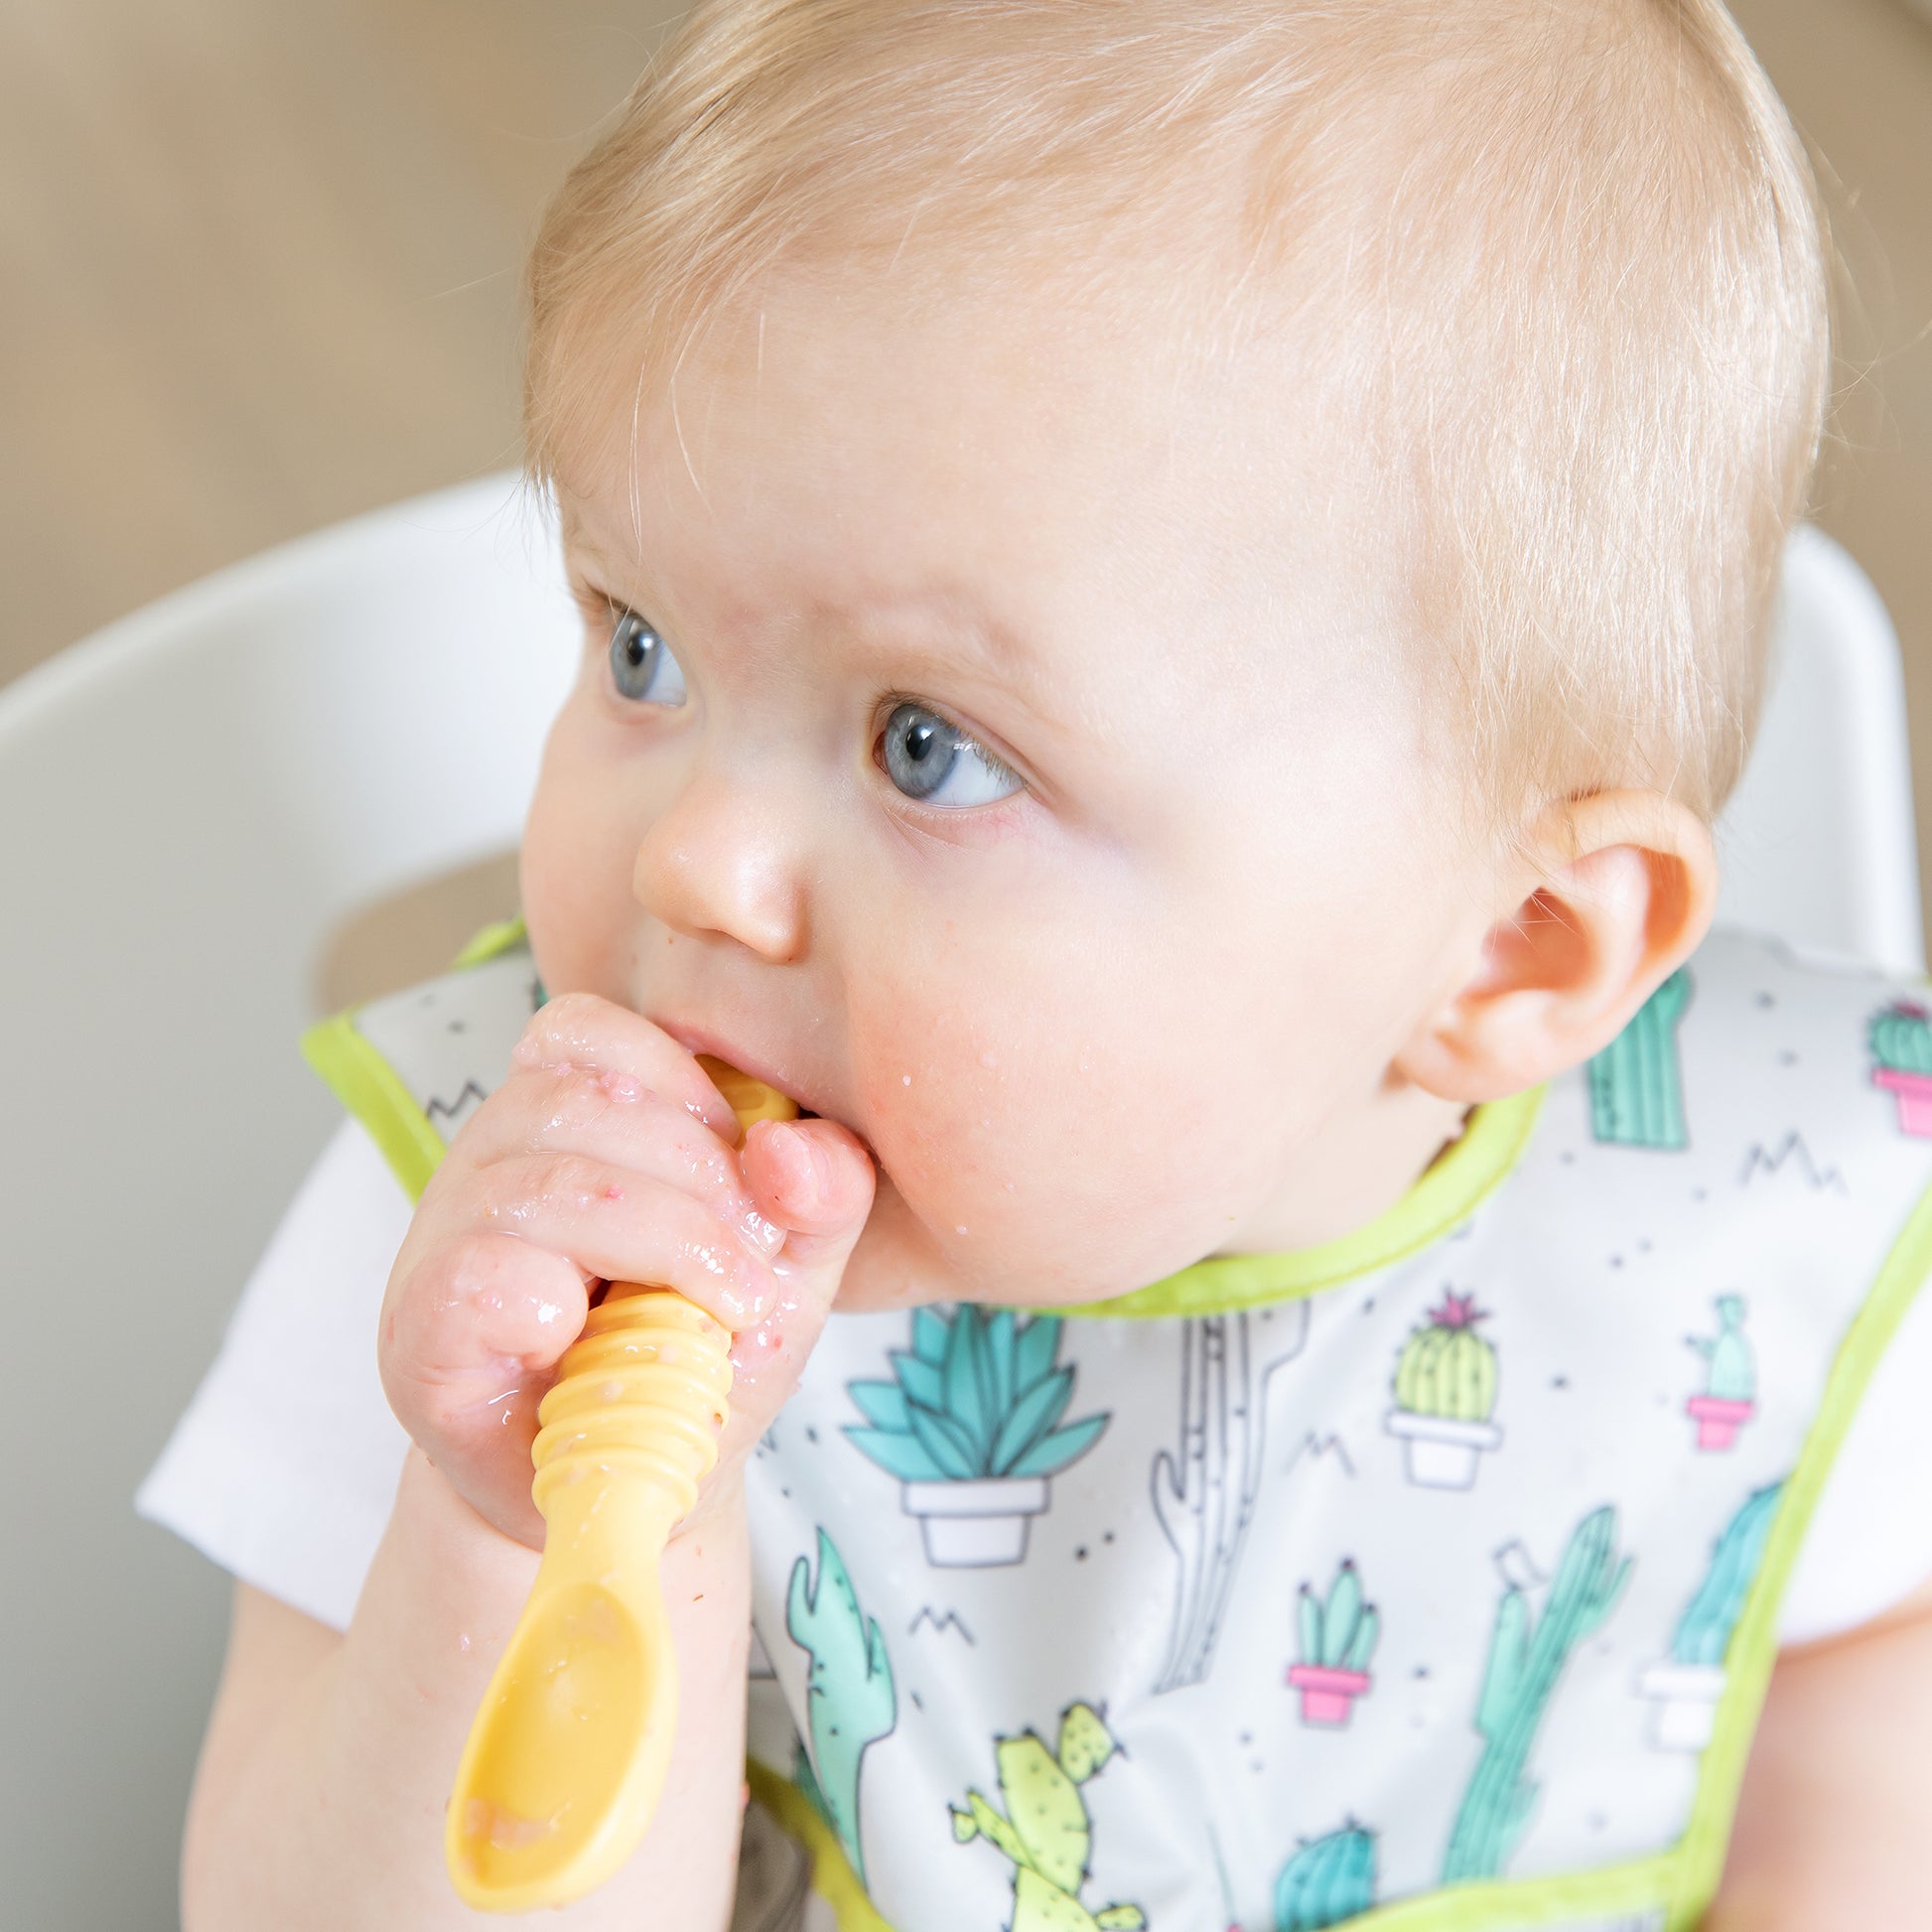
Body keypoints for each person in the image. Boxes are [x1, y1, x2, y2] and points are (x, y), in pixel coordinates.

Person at [140, 2, 1932, 1926]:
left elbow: (1856, 1728)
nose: (696, 859)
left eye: (931, 745)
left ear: (1512, 947)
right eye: (639, 643)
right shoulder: (495, 1250)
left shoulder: (1772, 1228)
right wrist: (514, 1534)